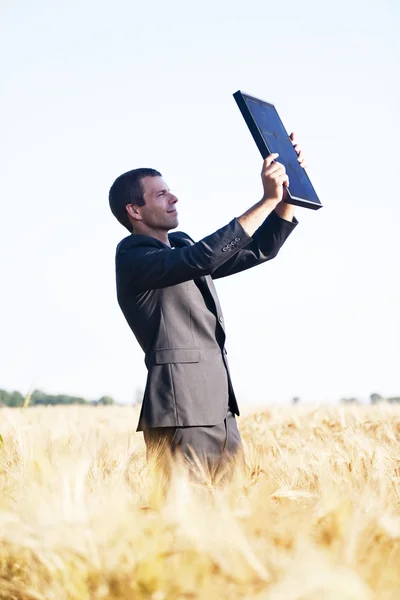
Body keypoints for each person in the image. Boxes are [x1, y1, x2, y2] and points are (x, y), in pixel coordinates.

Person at [109, 135, 306, 479]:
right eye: (161, 194)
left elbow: (261, 249)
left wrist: (287, 195)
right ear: (134, 210)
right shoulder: (132, 256)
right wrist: (265, 199)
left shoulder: (182, 249)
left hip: (221, 411)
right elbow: (202, 257)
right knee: (182, 521)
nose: (174, 198)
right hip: (179, 413)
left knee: (229, 518)